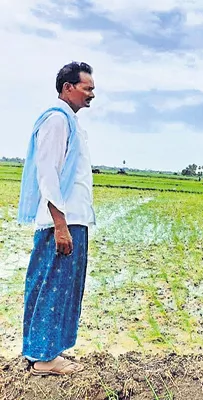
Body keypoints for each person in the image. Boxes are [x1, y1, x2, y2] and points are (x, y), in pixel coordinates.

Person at [17, 62, 96, 376]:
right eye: (87, 88)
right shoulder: (56, 120)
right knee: (51, 286)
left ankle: (48, 352)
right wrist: (61, 224)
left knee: (62, 288)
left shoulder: (70, 122)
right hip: (60, 220)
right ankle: (43, 358)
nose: (92, 94)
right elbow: (47, 174)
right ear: (68, 87)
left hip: (72, 217)